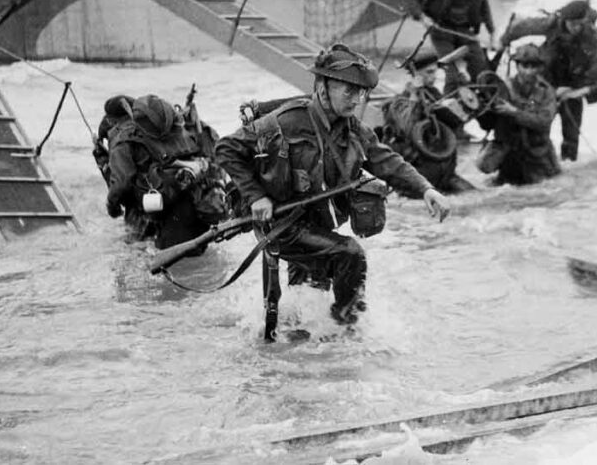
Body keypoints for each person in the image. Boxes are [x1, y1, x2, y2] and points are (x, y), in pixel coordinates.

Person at [215, 44, 450, 325]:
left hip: (315, 225)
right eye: (348, 90)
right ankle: (347, 328)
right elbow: (226, 148)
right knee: (350, 254)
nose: (356, 99)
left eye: (361, 92)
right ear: (323, 87)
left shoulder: (351, 128)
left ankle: (306, 346)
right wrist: (255, 197)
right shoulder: (287, 121)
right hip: (282, 225)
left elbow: (385, 160)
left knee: (307, 301)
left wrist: (426, 188)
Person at [106, 94, 229, 249]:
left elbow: (121, 184)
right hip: (202, 216)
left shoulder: (125, 141)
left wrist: (112, 206)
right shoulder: (191, 128)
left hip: (158, 222)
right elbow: (220, 160)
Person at [498, 0, 597, 161]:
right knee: (536, 124)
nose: (576, 28)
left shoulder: (593, 37)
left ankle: (568, 163)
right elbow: (520, 27)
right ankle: (536, 160)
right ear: (565, 21)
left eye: (580, 24)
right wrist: (503, 41)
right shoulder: (551, 24)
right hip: (546, 84)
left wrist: (572, 90)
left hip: (573, 88)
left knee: (571, 133)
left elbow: (593, 70)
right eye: (572, 24)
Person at [399, 0, 495, 97]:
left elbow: (484, 6)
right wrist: (423, 17)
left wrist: (492, 32)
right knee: (451, 72)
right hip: (442, 30)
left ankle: (483, 102)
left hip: (465, 30)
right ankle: (448, 105)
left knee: (481, 68)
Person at [380, 50, 476, 196]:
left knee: (473, 194)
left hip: (444, 174)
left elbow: (457, 125)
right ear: (416, 74)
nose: (433, 77)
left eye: (434, 73)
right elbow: (406, 127)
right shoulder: (398, 103)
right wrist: (414, 96)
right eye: (428, 73)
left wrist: (463, 89)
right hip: (416, 177)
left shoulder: (435, 96)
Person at [476, 44, 560, 185]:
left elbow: (544, 121)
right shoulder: (503, 88)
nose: (529, 71)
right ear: (517, 66)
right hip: (510, 156)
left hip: (537, 157)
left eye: (533, 67)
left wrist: (514, 112)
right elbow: (487, 125)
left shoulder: (546, 92)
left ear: (540, 68)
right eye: (525, 66)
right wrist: (482, 107)